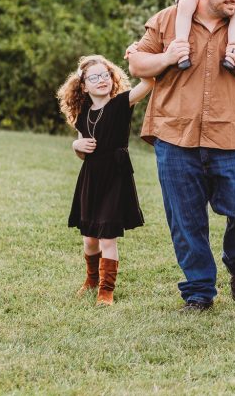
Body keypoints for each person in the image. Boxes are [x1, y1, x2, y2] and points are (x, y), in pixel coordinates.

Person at [126, 0, 235, 312]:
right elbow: (138, 65)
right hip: (174, 135)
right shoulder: (169, 20)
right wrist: (167, 56)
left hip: (231, 138)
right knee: (185, 219)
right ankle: (198, 293)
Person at [55, 55, 154, 306]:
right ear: (84, 86)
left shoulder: (122, 102)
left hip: (116, 175)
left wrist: (138, 55)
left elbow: (149, 82)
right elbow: (81, 152)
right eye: (94, 77)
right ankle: (91, 279)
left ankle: (106, 291)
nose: (101, 80)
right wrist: (76, 144)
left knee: (107, 236)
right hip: (91, 177)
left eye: (105, 75)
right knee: (89, 238)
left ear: (113, 79)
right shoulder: (83, 113)